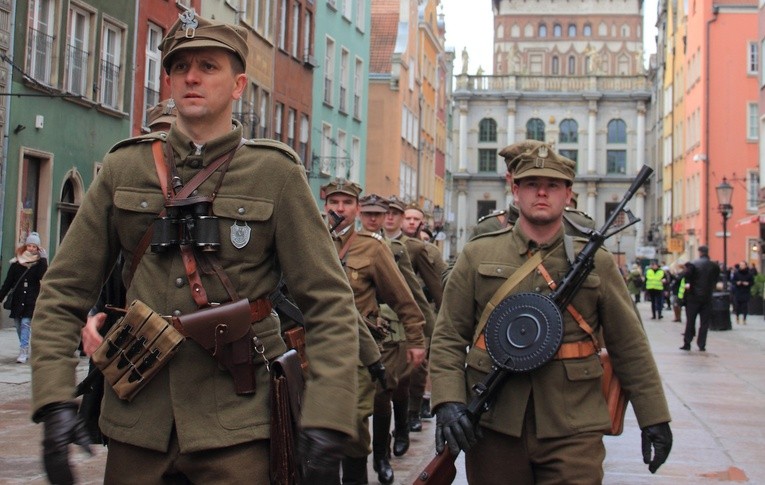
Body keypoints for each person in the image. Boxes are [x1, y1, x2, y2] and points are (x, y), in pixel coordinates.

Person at [30, 12, 359, 484]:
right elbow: (63, 291)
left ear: (239, 83)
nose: (191, 77)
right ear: (167, 79)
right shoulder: (126, 168)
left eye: (209, 66)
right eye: (180, 66)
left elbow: (328, 303)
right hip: (139, 419)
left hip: (238, 423)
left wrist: (328, 416)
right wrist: (53, 400)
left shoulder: (276, 175)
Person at [429, 140, 672, 483]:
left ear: (568, 193)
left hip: (573, 423)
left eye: (552, 185)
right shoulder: (477, 254)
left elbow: (630, 344)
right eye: (531, 184)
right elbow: (448, 337)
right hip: (495, 420)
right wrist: (448, 402)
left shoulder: (596, 261)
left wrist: (654, 417)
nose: (541, 193)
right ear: (515, 189)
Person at [322, 181, 426, 485]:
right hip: (313, 350)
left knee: (353, 425)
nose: (339, 209)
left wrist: (417, 340)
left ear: (356, 208)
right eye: (334, 202)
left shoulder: (372, 247)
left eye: (346, 203)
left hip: (357, 351)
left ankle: (369, 467)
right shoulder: (312, 240)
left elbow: (403, 298)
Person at [385, 199, 446, 432]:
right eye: (407, 218)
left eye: (414, 219)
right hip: (385, 316)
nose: (410, 222)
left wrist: (440, 323)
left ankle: (413, 411)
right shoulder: (375, 242)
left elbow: (439, 285)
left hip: (418, 312)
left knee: (416, 368)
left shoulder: (422, 249)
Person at [0, 232, 48, 364]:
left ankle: (23, 350)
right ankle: (24, 346)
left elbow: (43, 276)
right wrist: (1, 297)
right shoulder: (16, 263)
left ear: (38, 248)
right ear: (25, 246)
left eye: (34, 246)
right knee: (17, 325)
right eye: (29, 246)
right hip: (17, 299)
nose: (31, 248)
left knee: (25, 324)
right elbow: (8, 282)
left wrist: (43, 259)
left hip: (31, 300)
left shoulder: (39, 264)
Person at [680, 246, 721, 351]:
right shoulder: (714, 266)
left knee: (690, 321)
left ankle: (687, 342)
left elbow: (686, 276)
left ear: (700, 252)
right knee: (704, 323)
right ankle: (702, 344)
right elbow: (716, 279)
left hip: (693, 297)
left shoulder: (693, 264)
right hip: (707, 297)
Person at [731, 260, 754, 324]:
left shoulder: (749, 274)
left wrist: (748, 283)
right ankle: (737, 317)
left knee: (745, 306)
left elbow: (752, 282)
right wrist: (737, 283)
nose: (741, 266)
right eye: (740, 265)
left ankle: (744, 319)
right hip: (738, 291)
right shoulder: (736, 273)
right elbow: (733, 281)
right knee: (737, 305)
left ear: (746, 266)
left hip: (745, 291)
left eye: (743, 265)